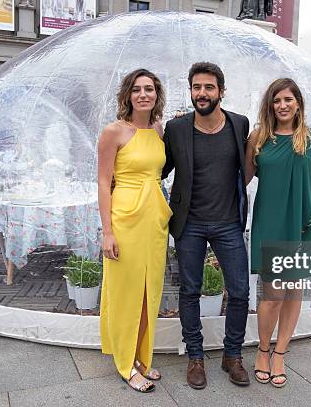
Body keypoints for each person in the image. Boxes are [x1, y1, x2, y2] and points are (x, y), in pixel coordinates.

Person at [162, 62, 251, 389]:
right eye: (197, 87)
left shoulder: (239, 125)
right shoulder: (177, 129)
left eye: (209, 88)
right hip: (190, 224)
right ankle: (195, 357)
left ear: (220, 92)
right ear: (191, 91)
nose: (202, 93)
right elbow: (160, 168)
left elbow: (249, 165)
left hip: (229, 224)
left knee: (240, 291)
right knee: (189, 291)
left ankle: (233, 355)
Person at [245, 78, 311, 388]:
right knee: (273, 296)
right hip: (270, 222)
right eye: (276, 100)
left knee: (295, 290)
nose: (282, 105)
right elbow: (240, 180)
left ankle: (280, 352)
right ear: (270, 105)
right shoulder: (259, 138)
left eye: (287, 99)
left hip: (305, 223)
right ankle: (263, 349)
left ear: (298, 103)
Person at [98, 69, 172, 393]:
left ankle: (142, 357)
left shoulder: (158, 130)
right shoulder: (114, 132)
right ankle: (126, 364)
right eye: (138, 89)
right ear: (128, 94)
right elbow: (103, 183)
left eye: (150, 89)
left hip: (154, 219)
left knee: (148, 292)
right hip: (124, 217)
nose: (144, 94)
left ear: (157, 95)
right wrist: (107, 232)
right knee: (126, 292)